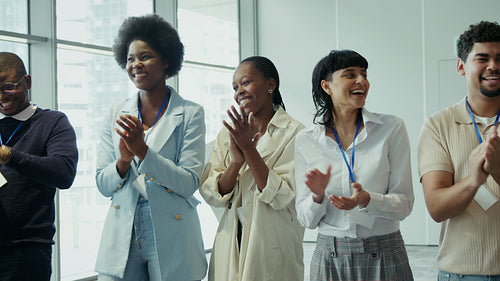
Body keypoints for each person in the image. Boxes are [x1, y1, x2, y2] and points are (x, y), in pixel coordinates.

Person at [94, 14, 207, 281]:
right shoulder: (115, 113)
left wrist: (143, 152)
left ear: (167, 61)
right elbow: (102, 183)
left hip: (171, 229)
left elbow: (188, 182)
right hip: (124, 228)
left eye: (145, 57)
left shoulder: (190, 113)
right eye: (131, 58)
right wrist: (123, 161)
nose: (136, 65)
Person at [295, 50, 414, 281]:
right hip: (329, 256)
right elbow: (306, 220)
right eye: (350, 74)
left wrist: (367, 199)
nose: (362, 81)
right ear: (327, 86)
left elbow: (405, 204)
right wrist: (317, 196)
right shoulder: (306, 139)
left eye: (364, 74)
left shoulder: (392, 128)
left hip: (385, 251)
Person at [200, 56, 305, 281]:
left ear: (270, 85)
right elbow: (211, 192)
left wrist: (249, 149)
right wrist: (237, 162)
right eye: (235, 87)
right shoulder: (227, 134)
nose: (239, 91)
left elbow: (283, 195)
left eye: (245, 83)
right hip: (230, 243)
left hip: (271, 246)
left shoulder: (295, 133)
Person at [418, 21, 500, 280]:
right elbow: (437, 208)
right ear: (461, 67)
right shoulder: (437, 125)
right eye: (482, 58)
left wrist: (496, 169)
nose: (493, 66)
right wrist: (474, 181)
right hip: (461, 275)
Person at [0, 52, 78, 280]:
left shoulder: (52, 122)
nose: (1, 96)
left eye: (8, 86)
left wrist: (7, 155)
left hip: (26, 250)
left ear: (28, 82)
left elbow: (63, 173)